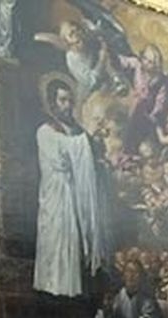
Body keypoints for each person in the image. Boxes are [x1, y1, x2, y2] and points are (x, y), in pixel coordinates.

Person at [34, 78, 110, 296]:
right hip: (57, 194)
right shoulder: (45, 131)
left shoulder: (75, 131)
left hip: (75, 193)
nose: (67, 105)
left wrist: (93, 141)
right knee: (59, 239)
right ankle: (55, 290)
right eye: (62, 100)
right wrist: (88, 139)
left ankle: (75, 292)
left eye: (70, 100)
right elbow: (62, 159)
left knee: (76, 242)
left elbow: (86, 156)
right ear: (52, 102)